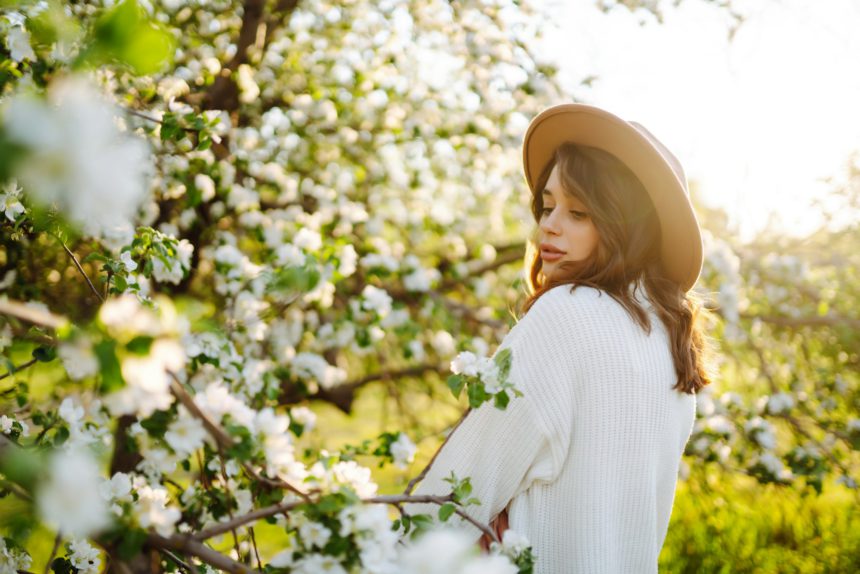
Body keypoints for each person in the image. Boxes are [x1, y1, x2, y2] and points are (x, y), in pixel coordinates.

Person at [404, 103, 717, 573]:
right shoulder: (671, 341)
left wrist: (373, 553)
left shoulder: (566, 314)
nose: (548, 225)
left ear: (625, 227)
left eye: (579, 212)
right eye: (548, 207)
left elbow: (456, 492)